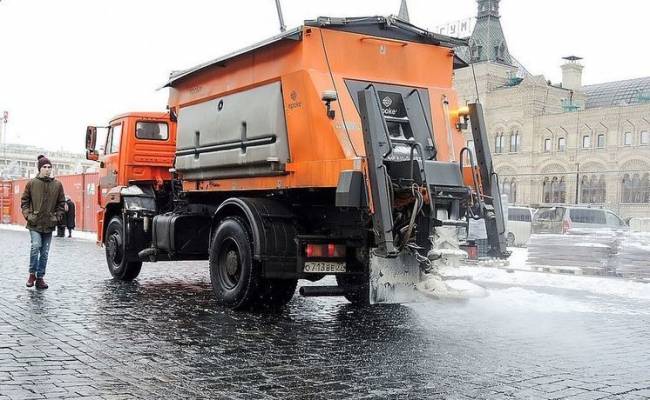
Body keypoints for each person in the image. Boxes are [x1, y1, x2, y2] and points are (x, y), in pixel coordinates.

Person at [20, 155, 65, 289]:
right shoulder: (32, 183)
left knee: (44, 252)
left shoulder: (57, 185)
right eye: (44, 167)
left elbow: (61, 203)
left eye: (49, 167)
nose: (47, 169)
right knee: (35, 246)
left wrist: (57, 217)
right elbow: (24, 201)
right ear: (39, 168)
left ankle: (40, 278)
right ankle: (31, 274)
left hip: (49, 224)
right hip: (34, 223)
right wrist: (28, 215)